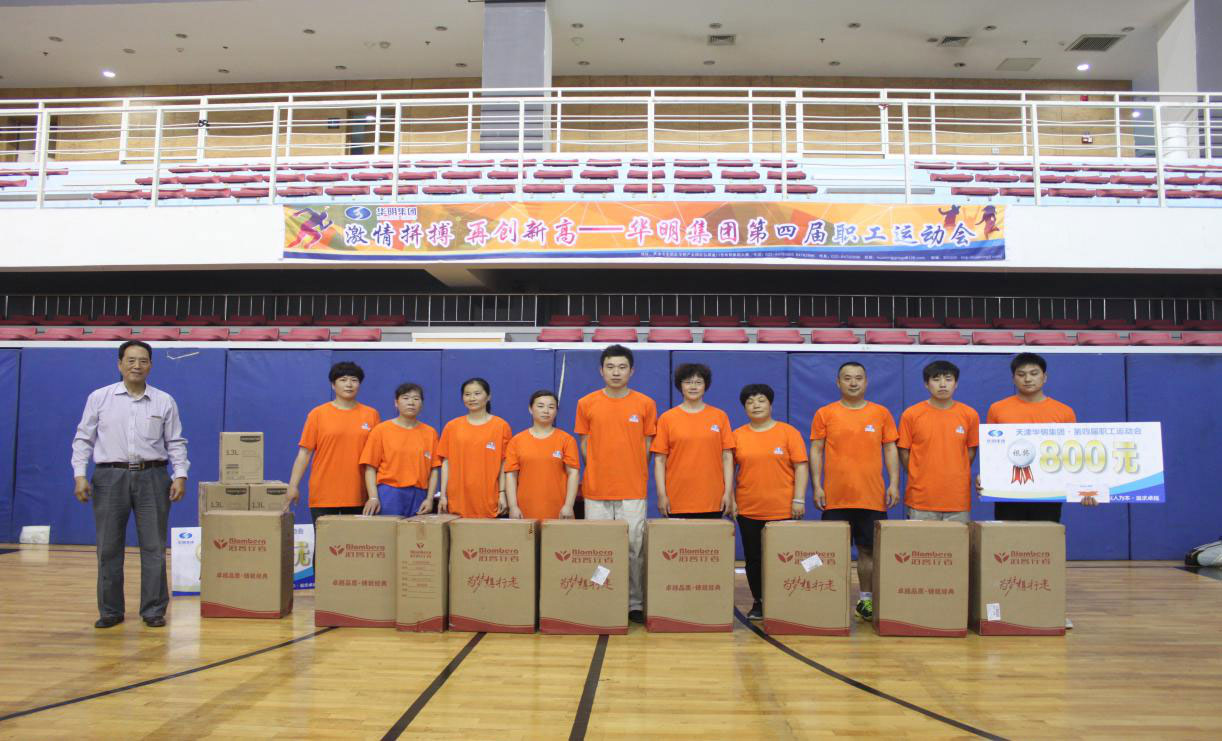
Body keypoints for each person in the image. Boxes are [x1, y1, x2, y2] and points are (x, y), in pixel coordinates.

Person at [71, 340, 189, 628]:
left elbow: (175, 441)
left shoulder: (164, 401)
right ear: (120, 364)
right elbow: (83, 438)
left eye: (143, 361)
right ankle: (110, 611)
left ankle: (153, 610)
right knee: (108, 547)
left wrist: (180, 474)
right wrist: (79, 474)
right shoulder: (99, 398)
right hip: (110, 477)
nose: (137, 366)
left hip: (154, 476)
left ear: (151, 365)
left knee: (154, 546)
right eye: (131, 360)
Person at [810, 361, 899, 623]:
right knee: (830, 552)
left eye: (858, 378)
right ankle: (829, 599)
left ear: (866, 382)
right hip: (835, 497)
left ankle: (866, 600)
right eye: (847, 378)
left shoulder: (881, 413)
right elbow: (816, 450)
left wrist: (894, 482)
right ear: (838, 382)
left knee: (868, 551)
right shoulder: (825, 413)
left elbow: (890, 449)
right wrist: (817, 485)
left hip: (871, 497)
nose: (853, 382)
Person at [575, 344, 658, 624]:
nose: (616, 372)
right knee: (599, 547)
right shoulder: (586, 403)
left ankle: (635, 603)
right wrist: (600, 467)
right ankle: (602, 596)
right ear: (601, 370)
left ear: (631, 371)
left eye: (622, 367)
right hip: (596, 489)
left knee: (634, 548)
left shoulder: (645, 404)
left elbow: (647, 445)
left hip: (632, 489)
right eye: (610, 367)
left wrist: (632, 470)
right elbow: (584, 444)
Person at [982, 352, 1097, 521]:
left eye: (1034, 373)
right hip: (1009, 490)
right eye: (1021, 374)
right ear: (1013, 379)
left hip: (1049, 491)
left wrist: (1085, 488)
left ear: (1045, 377)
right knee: (1008, 537)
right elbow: (992, 452)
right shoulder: (997, 409)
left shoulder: (1064, 412)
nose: (1028, 379)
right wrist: (986, 475)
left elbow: (1073, 455)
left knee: (1045, 537)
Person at [732, 383, 809, 621]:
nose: (756, 405)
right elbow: (727, 470)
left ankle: (786, 600)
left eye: (761, 400)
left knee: (785, 558)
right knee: (754, 559)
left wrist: (799, 499)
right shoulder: (737, 435)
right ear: (744, 408)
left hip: (784, 509)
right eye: (750, 402)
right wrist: (731, 500)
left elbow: (801, 466)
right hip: (749, 509)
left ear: (771, 404)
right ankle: (759, 601)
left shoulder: (788, 432)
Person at [286, 361, 381, 527]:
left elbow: (377, 457)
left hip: (359, 495)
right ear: (333, 385)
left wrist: (374, 495)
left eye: (354, 380)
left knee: (356, 543)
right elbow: (304, 453)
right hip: (324, 495)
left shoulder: (371, 415)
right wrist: (293, 486)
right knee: (325, 542)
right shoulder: (317, 414)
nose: (349, 384)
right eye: (343, 380)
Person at [898, 360, 980, 523]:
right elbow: (904, 451)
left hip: (957, 499)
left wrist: (955, 469)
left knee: (958, 541)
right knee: (920, 541)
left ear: (956, 384)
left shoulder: (970, 415)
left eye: (948, 379)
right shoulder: (911, 414)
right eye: (936, 379)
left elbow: (971, 452)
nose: (943, 384)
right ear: (926, 384)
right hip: (921, 499)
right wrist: (918, 473)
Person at [652, 363, 735, 519]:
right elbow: (660, 460)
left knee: (712, 536)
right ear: (680, 386)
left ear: (705, 386)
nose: (693, 387)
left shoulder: (720, 416)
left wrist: (728, 493)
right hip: (677, 499)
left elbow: (727, 457)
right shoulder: (667, 418)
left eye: (698, 382)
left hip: (713, 499)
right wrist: (661, 495)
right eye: (688, 382)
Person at [432, 378, 512, 518]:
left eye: (477, 393)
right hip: (457, 500)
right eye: (467, 394)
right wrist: (443, 495)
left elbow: (504, 464)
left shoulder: (501, 426)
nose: (472, 398)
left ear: (488, 396)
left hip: (489, 500)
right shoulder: (452, 427)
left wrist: (502, 493)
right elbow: (446, 463)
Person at [359, 382, 439, 517]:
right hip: (389, 494)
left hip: (419, 495)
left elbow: (434, 469)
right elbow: (370, 467)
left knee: (416, 531)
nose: (411, 403)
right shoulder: (381, 430)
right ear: (396, 403)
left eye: (416, 398)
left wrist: (429, 499)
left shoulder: (430, 433)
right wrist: (373, 497)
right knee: (388, 531)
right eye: (405, 398)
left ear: (421, 404)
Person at [505, 390, 580, 519]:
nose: (546, 411)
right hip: (524, 510)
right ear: (530, 409)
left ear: (556, 411)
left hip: (559, 510)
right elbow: (511, 475)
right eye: (540, 406)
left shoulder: (566, 440)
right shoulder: (517, 441)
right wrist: (513, 506)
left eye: (551, 407)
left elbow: (573, 473)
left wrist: (568, 505)